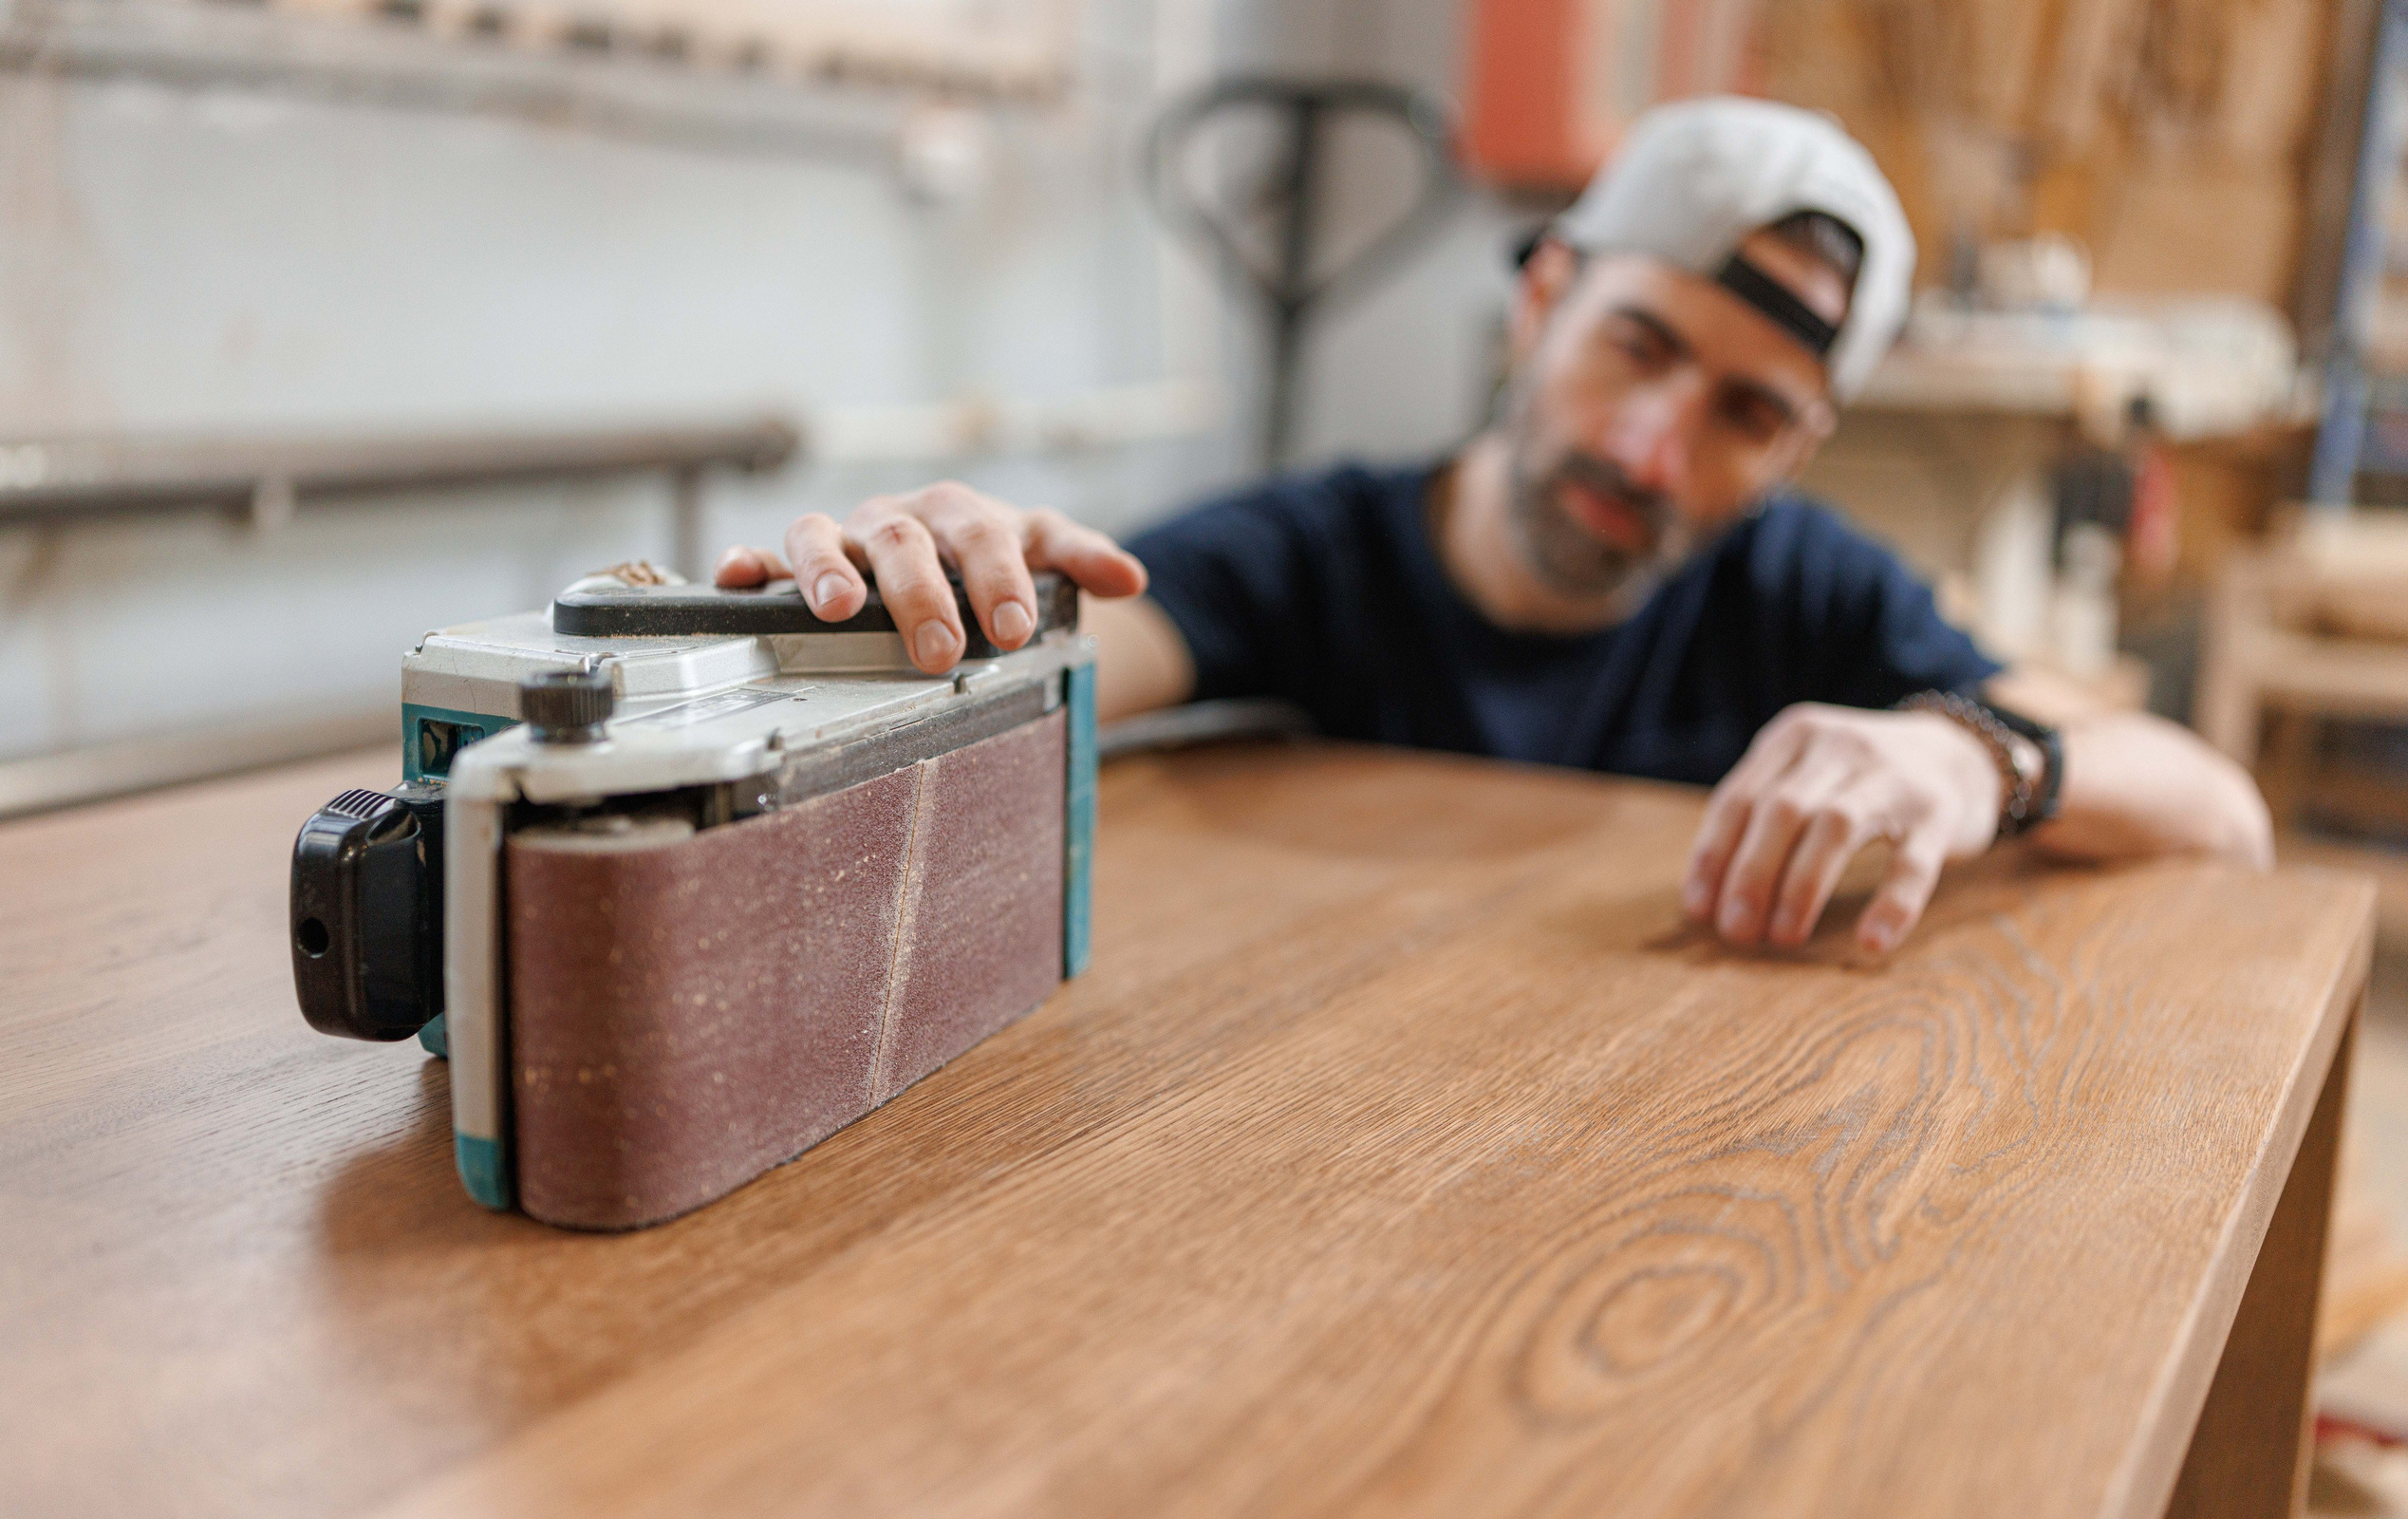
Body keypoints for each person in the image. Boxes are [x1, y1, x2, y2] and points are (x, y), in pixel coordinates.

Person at [714, 97, 2271, 956]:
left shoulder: (1808, 595)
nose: (1654, 449)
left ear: (1801, 449)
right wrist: (925, 610)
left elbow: (2221, 814)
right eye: (1639, 347)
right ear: (1541, 300)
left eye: (1747, 413)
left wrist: (1978, 760)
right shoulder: (1308, 555)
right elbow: (1060, 659)